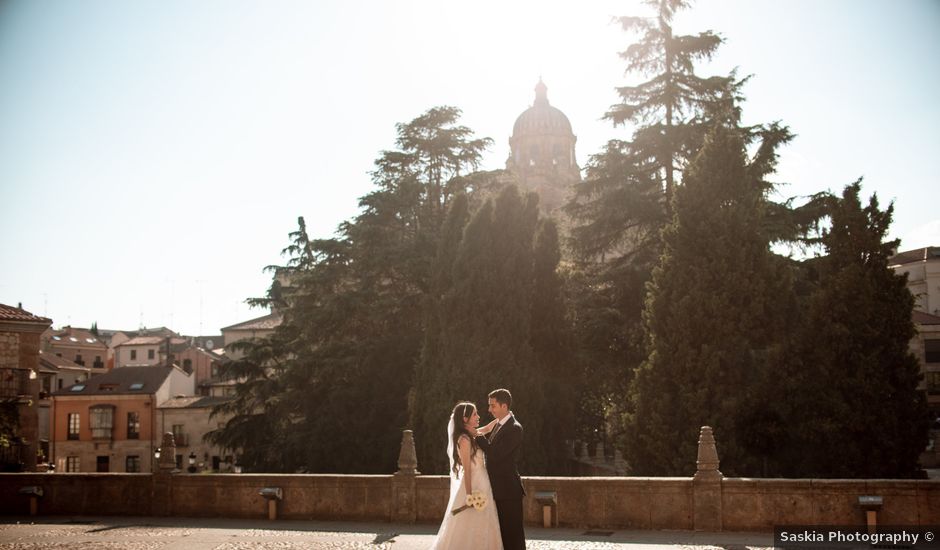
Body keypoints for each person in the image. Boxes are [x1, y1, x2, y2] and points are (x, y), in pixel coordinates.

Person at [430, 401, 503, 550]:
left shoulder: (473, 434)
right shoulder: (464, 439)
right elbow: (467, 469)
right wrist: (469, 495)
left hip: (484, 481)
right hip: (473, 483)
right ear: (465, 419)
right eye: (475, 414)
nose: (478, 416)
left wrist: (503, 416)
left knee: (485, 520)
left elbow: (488, 428)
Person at [477, 388, 526, 550]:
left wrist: (478, 437)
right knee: (503, 535)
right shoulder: (498, 425)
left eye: (493, 406)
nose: (489, 409)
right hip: (498, 489)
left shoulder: (514, 428)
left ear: (504, 406)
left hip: (509, 490)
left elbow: (496, 454)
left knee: (514, 535)